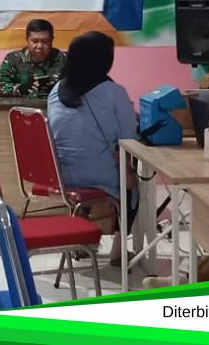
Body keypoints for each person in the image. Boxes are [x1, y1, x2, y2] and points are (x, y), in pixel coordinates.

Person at [46, 32, 137, 264]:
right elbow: (129, 140)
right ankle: (119, 250)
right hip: (97, 175)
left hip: (61, 176)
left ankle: (82, 241)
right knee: (135, 186)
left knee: (88, 159)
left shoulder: (55, 90)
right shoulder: (114, 92)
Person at [0, 19, 66, 100]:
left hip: (55, 106)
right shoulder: (14, 59)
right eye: (35, 41)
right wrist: (21, 89)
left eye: (45, 41)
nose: (40, 46)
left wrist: (57, 90)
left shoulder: (65, 59)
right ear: (27, 40)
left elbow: (76, 87)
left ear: (52, 40)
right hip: (22, 106)